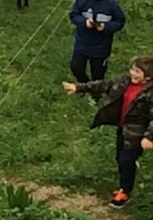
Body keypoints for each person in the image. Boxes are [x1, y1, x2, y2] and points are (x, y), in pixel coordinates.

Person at [62, 56, 153, 209]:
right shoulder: (124, 81)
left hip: (137, 134)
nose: (132, 73)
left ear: (148, 77)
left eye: (137, 71)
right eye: (132, 69)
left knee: (125, 160)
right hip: (122, 129)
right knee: (120, 157)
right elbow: (103, 85)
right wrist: (79, 87)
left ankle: (125, 191)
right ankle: (130, 166)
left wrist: (149, 137)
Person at [69, 0, 126, 102]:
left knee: (98, 73)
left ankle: (96, 95)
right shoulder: (83, 1)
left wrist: (106, 27)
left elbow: (120, 21)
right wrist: (84, 23)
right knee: (76, 67)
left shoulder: (112, 4)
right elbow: (73, 15)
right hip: (82, 42)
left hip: (101, 46)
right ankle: (85, 85)